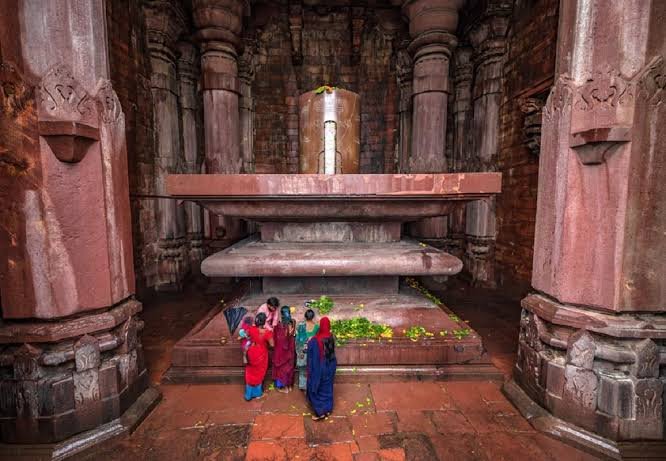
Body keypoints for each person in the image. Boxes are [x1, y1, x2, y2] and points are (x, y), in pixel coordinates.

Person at [306, 317, 337, 420]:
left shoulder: (315, 341)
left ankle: (320, 412)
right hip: (330, 365)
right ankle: (327, 410)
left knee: (315, 387)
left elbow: (311, 354)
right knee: (327, 388)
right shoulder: (331, 337)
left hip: (319, 366)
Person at [243, 313, 274, 401]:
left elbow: (247, 335)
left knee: (250, 371)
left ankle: (248, 394)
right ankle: (257, 393)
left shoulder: (251, 329)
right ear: (264, 322)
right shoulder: (267, 333)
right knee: (259, 372)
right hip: (261, 354)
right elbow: (272, 344)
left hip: (251, 351)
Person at [272, 306, 296, 393]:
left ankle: (283, 386)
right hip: (287, 350)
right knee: (288, 368)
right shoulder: (292, 323)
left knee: (283, 369)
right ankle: (288, 385)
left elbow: (275, 339)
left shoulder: (278, 326)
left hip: (281, 351)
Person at [295, 309, 319, 390]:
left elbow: (297, 339)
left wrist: (299, 351)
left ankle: (302, 385)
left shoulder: (301, 326)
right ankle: (311, 385)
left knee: (302, 369)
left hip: (302, 350)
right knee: (311, 368)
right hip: (312, 350)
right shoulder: (316, 327)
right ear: (313, 317)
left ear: (305, 316)